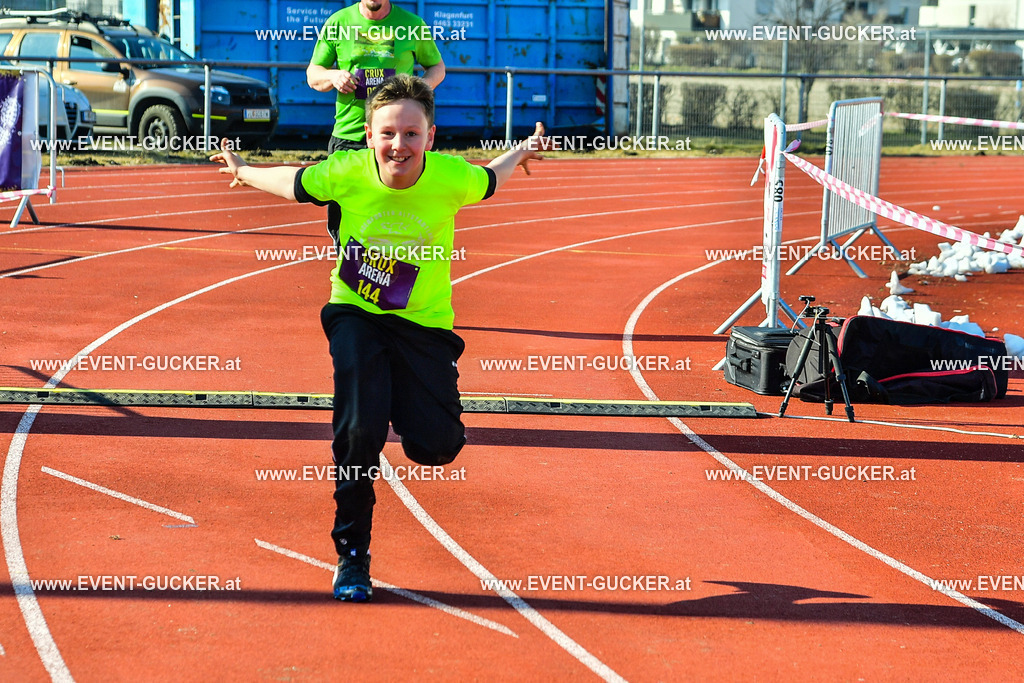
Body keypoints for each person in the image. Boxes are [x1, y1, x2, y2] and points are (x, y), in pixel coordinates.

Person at [212, 74, 545, 602]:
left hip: (425, 327)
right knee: (359, 429)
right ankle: (352, 556)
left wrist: (521, 151)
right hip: (356, 314)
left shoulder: (450, 178)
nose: (399, 145)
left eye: (412, 134)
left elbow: (492, 178)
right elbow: (294, 181)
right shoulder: (345, 172)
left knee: (436, 447)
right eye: (388, 133)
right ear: (368, 135)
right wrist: (242, 170)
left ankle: (396, 400)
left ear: (430, 138)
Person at [306, 0, 446, 247]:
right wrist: (333, 76)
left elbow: (437, 66)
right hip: (349, 137)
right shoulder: (338, 23)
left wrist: (419, 90)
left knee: (394, 220)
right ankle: (351, 278)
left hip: (396, 141)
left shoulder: (412, 25)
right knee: (345, 227)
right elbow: (313, 74)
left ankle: (394, 280)